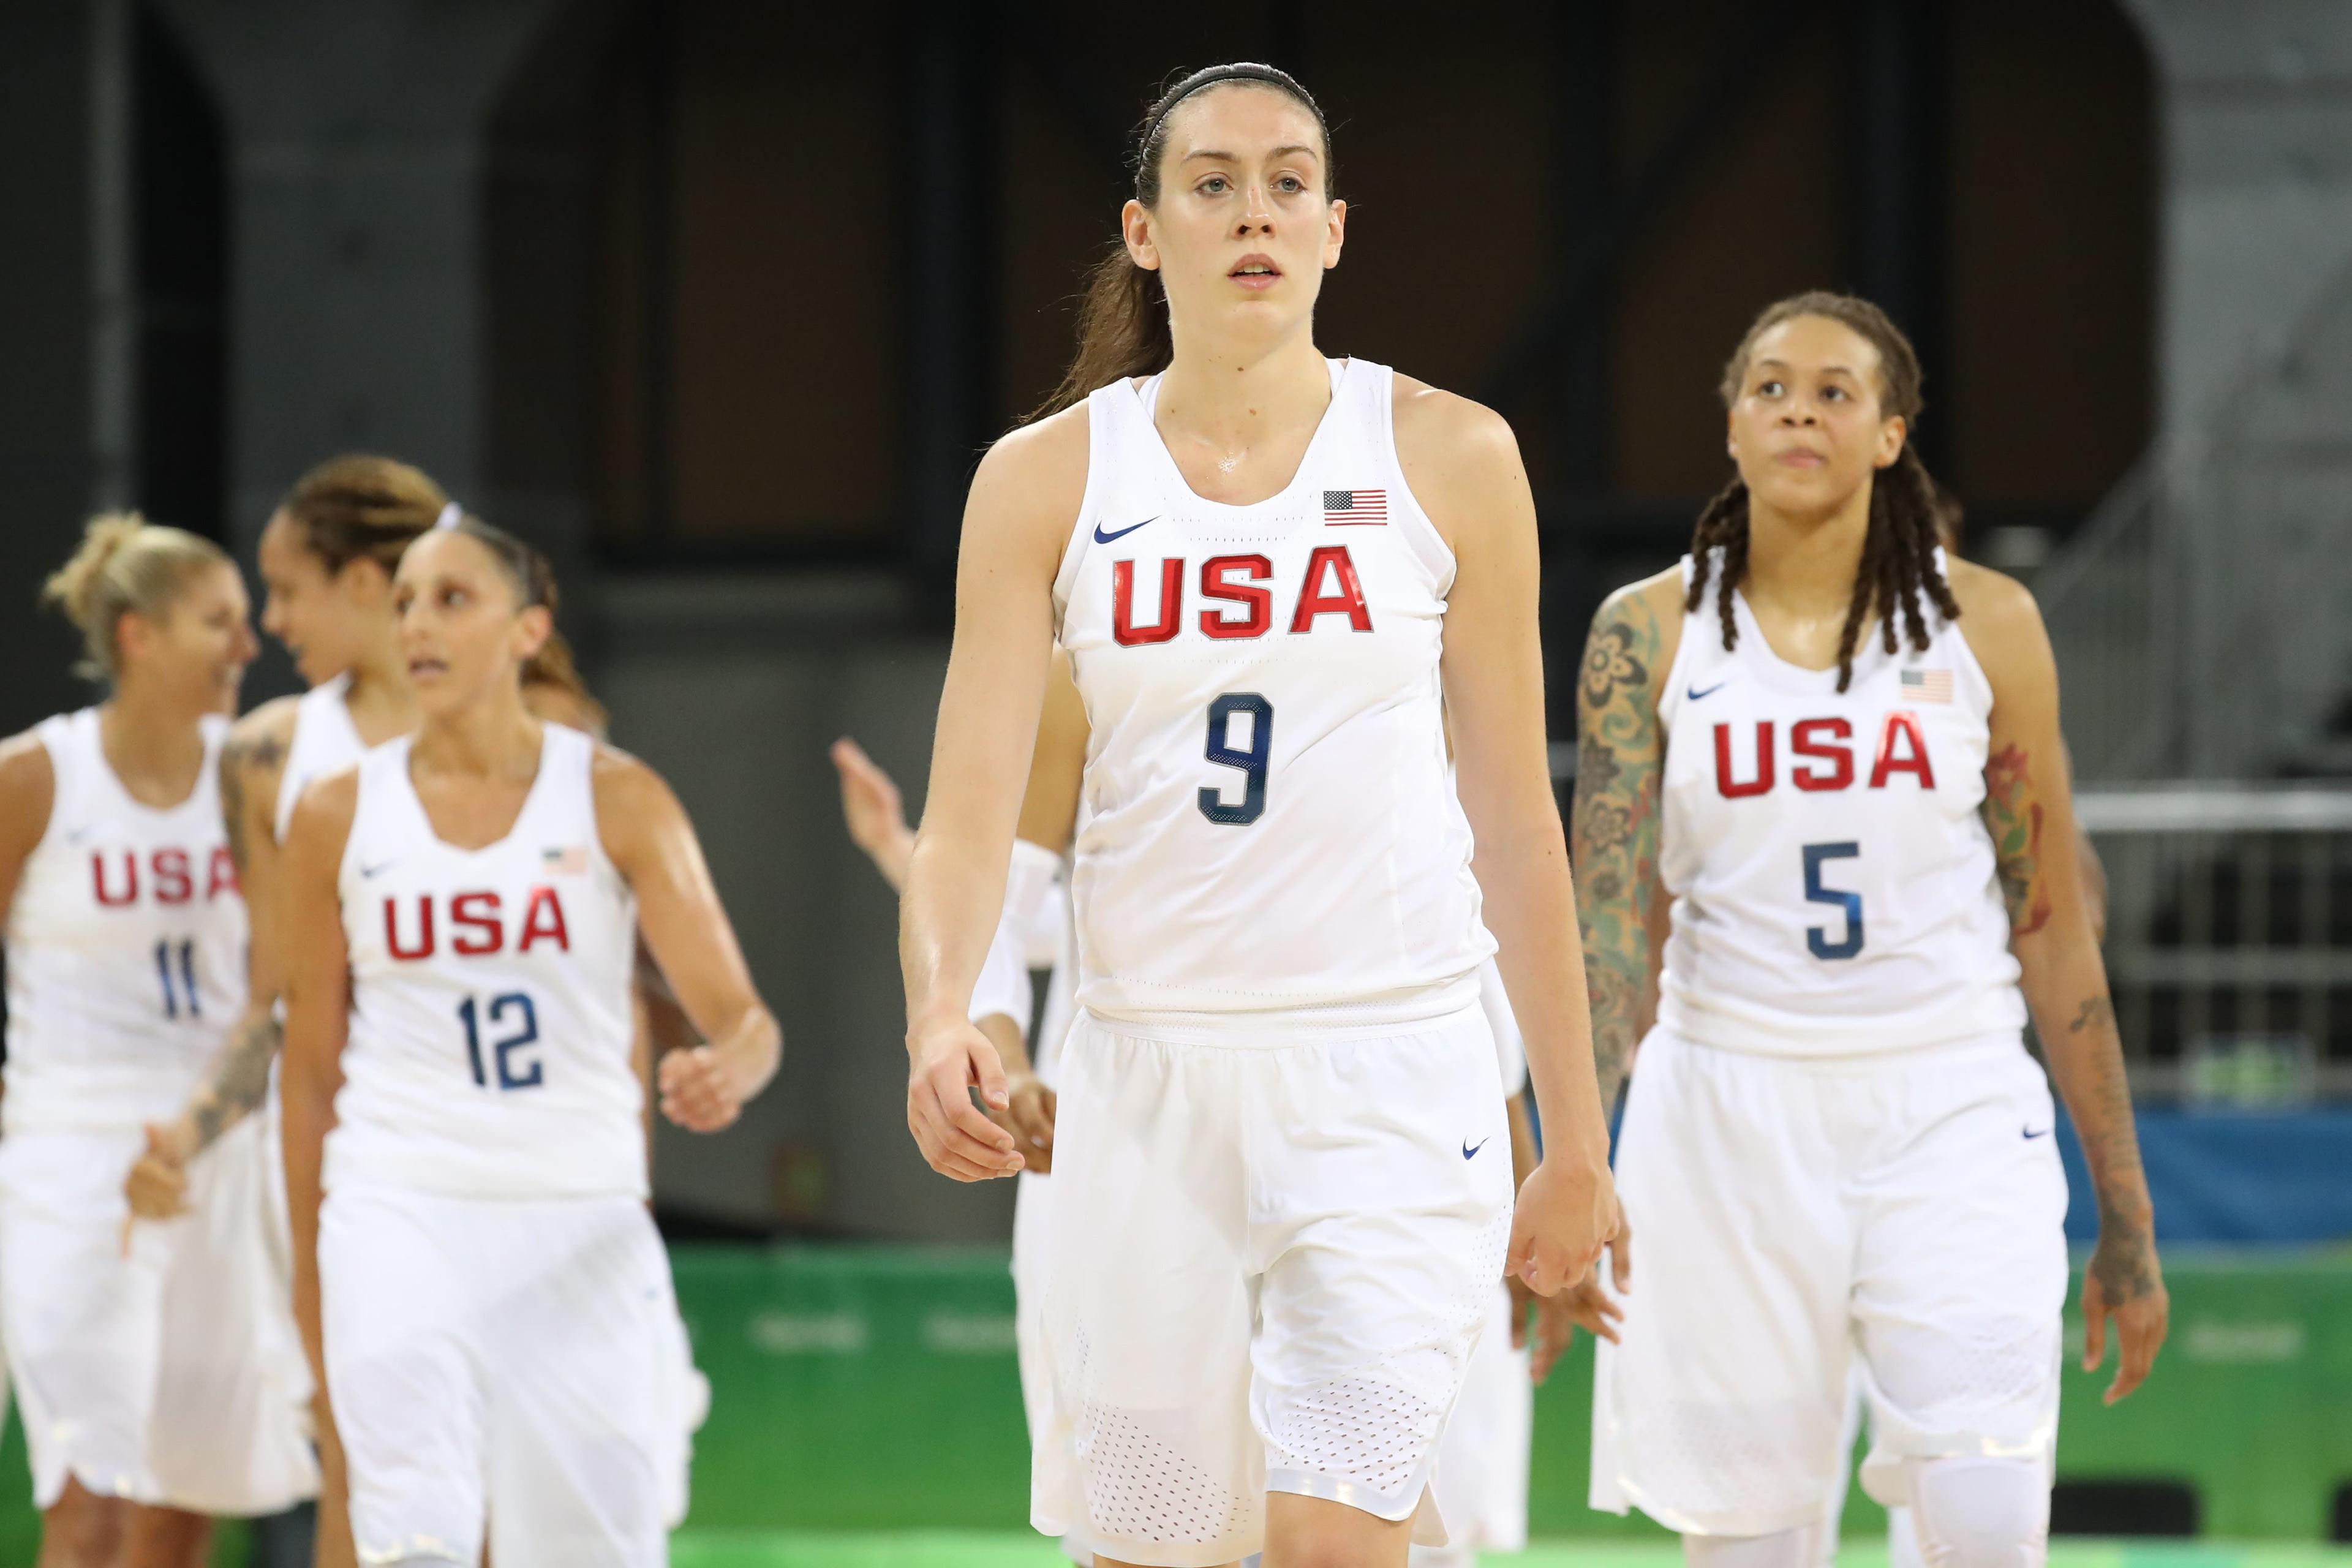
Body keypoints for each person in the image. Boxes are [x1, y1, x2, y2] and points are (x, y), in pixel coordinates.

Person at [895, 61, 1618, 1568]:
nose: (1255, 213)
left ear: (1337, 228)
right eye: (1212, 181)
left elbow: (1516, 818)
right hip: (1144, 1071)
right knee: (1151, 1551)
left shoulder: (1450, 455)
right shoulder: (1043, 480)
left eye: (1289, 180)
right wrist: (937, 1016)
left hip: (1391, 1072)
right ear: (1144, 230)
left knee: (1329, 1542)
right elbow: (967, 813)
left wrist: (1575, 1134)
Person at [1570, 291, 2168, 1568]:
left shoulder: (1989, 620)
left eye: (1835, 389)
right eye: (1769, 385)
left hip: (1948, 1094)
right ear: (1729, 426)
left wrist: (2127, 1205)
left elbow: (2055, 928)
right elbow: (1608, 931)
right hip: (1723, 1105)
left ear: (1892, 432)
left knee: (1987, 1519)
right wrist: (1576, 1152)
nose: (1798, 405)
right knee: (1748, 1539)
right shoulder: (1647, 630)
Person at [838, 668, 1578, 1568]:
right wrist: (1002, 1050)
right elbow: (996, 903)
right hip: (1135, 1130)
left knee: (1368, 1522)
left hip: (1369, 1128)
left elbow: (1470, 941)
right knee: (1144, 1529)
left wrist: (1546, 1158)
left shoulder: (1401, 646)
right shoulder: (1093, 660)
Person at [122, 456, 707, 1560]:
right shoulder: (271, 754)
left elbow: (613, 993)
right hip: (367, 1170)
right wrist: (197, 1135)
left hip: (543, 1183)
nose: (274, 623)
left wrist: (618, 1170)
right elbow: (278, 1013)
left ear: (360, 581)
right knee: (363, 1496)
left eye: (288, 589)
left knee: (519, 1508)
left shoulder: (554, 730)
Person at [273, 513, 777, 1566]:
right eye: (405, 600)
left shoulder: (615, 796)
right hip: (397, 1204)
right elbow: (310, 1071)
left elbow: (744, 1020)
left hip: (578, 1215)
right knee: (418, 1535)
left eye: (453, 599)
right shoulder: (333, 813)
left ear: (528, 630)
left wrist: (728, 1067)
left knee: (593, 1547)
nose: (418, 623)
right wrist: (312, 1285)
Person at [0, 516, 315, 1568]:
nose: (247, 646)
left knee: (184, 1503)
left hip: (221, 1145)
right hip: (75, 1153)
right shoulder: (37, 777)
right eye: (218, 623)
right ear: (137, 636)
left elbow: (286, 991)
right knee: (89, 1498)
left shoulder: (262, 776)